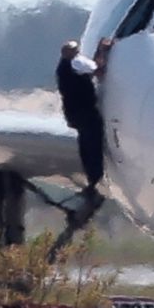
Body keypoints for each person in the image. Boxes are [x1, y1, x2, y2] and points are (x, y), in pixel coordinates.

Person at [56, 39, 111, 195]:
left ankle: (92, 178)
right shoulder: (76, 63)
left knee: (85, 143)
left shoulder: (63, 67)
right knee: (92, 141)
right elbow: (98, 70)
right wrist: (102, 51)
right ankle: (95, 176)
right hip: (85, 111)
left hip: (73, 112)